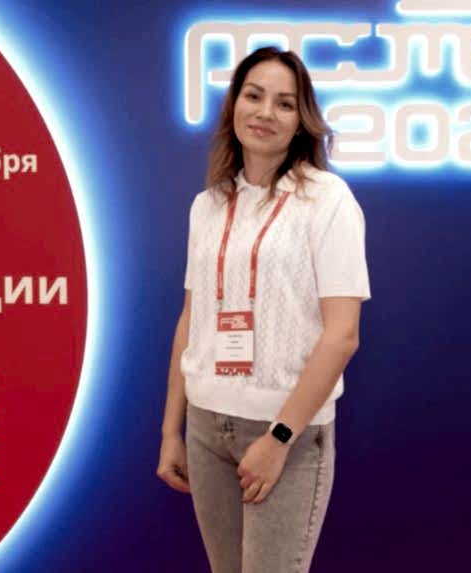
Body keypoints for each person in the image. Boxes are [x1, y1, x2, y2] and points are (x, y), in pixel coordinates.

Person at [157, 46, 370, 573]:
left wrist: (279, 438)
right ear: (234, 104)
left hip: (285, 432)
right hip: (207, 427)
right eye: (254, 96)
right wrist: (171, 430)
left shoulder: (328, 200)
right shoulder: (208, 205)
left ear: (301, 121)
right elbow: (191, 321)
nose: (265, 113)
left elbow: (342, 335)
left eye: (284, 103)